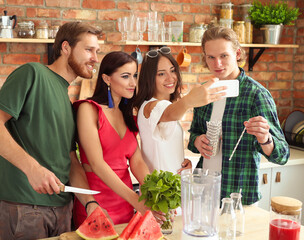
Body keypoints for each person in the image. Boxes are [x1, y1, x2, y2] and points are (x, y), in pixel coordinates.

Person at [0, 22, 107, 239]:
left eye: (97, 51)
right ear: (66, 47)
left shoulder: (66, 100)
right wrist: (33, 169)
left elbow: (70, 160)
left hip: (62, 210)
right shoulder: (32, 73)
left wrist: (90, 203)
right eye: (88, 49)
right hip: (26, 207)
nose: (95, 58)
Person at [188, 26, 290, 205]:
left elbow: (282, 155)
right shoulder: (204, 92)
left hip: (238, 197)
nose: (217, 63)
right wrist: (197, 141)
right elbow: (194, 136)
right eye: (211, 57)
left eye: (223, 56)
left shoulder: (256, 94)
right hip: (204, 193)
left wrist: (265, 139)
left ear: (237, 53)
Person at [73, 51, 163, 227]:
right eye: (125, 76)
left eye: (134, 76)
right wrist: (136, 200)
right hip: (95, 205)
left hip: (125, 205)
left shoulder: (127, 114)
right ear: (107, 79)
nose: (133, 83)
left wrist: (156, 195)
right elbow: (97, 164)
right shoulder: (88, 109)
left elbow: (137, 163)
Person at [133, 46, 225, 175]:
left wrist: (181, 162)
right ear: (149, 78)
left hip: (173, 189)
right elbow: (171, 113)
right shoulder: (151, 106)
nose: (170, 78)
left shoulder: (165, 105)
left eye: (172, 71)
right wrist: (190, 100)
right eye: (161, 74)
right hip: (159, 193)